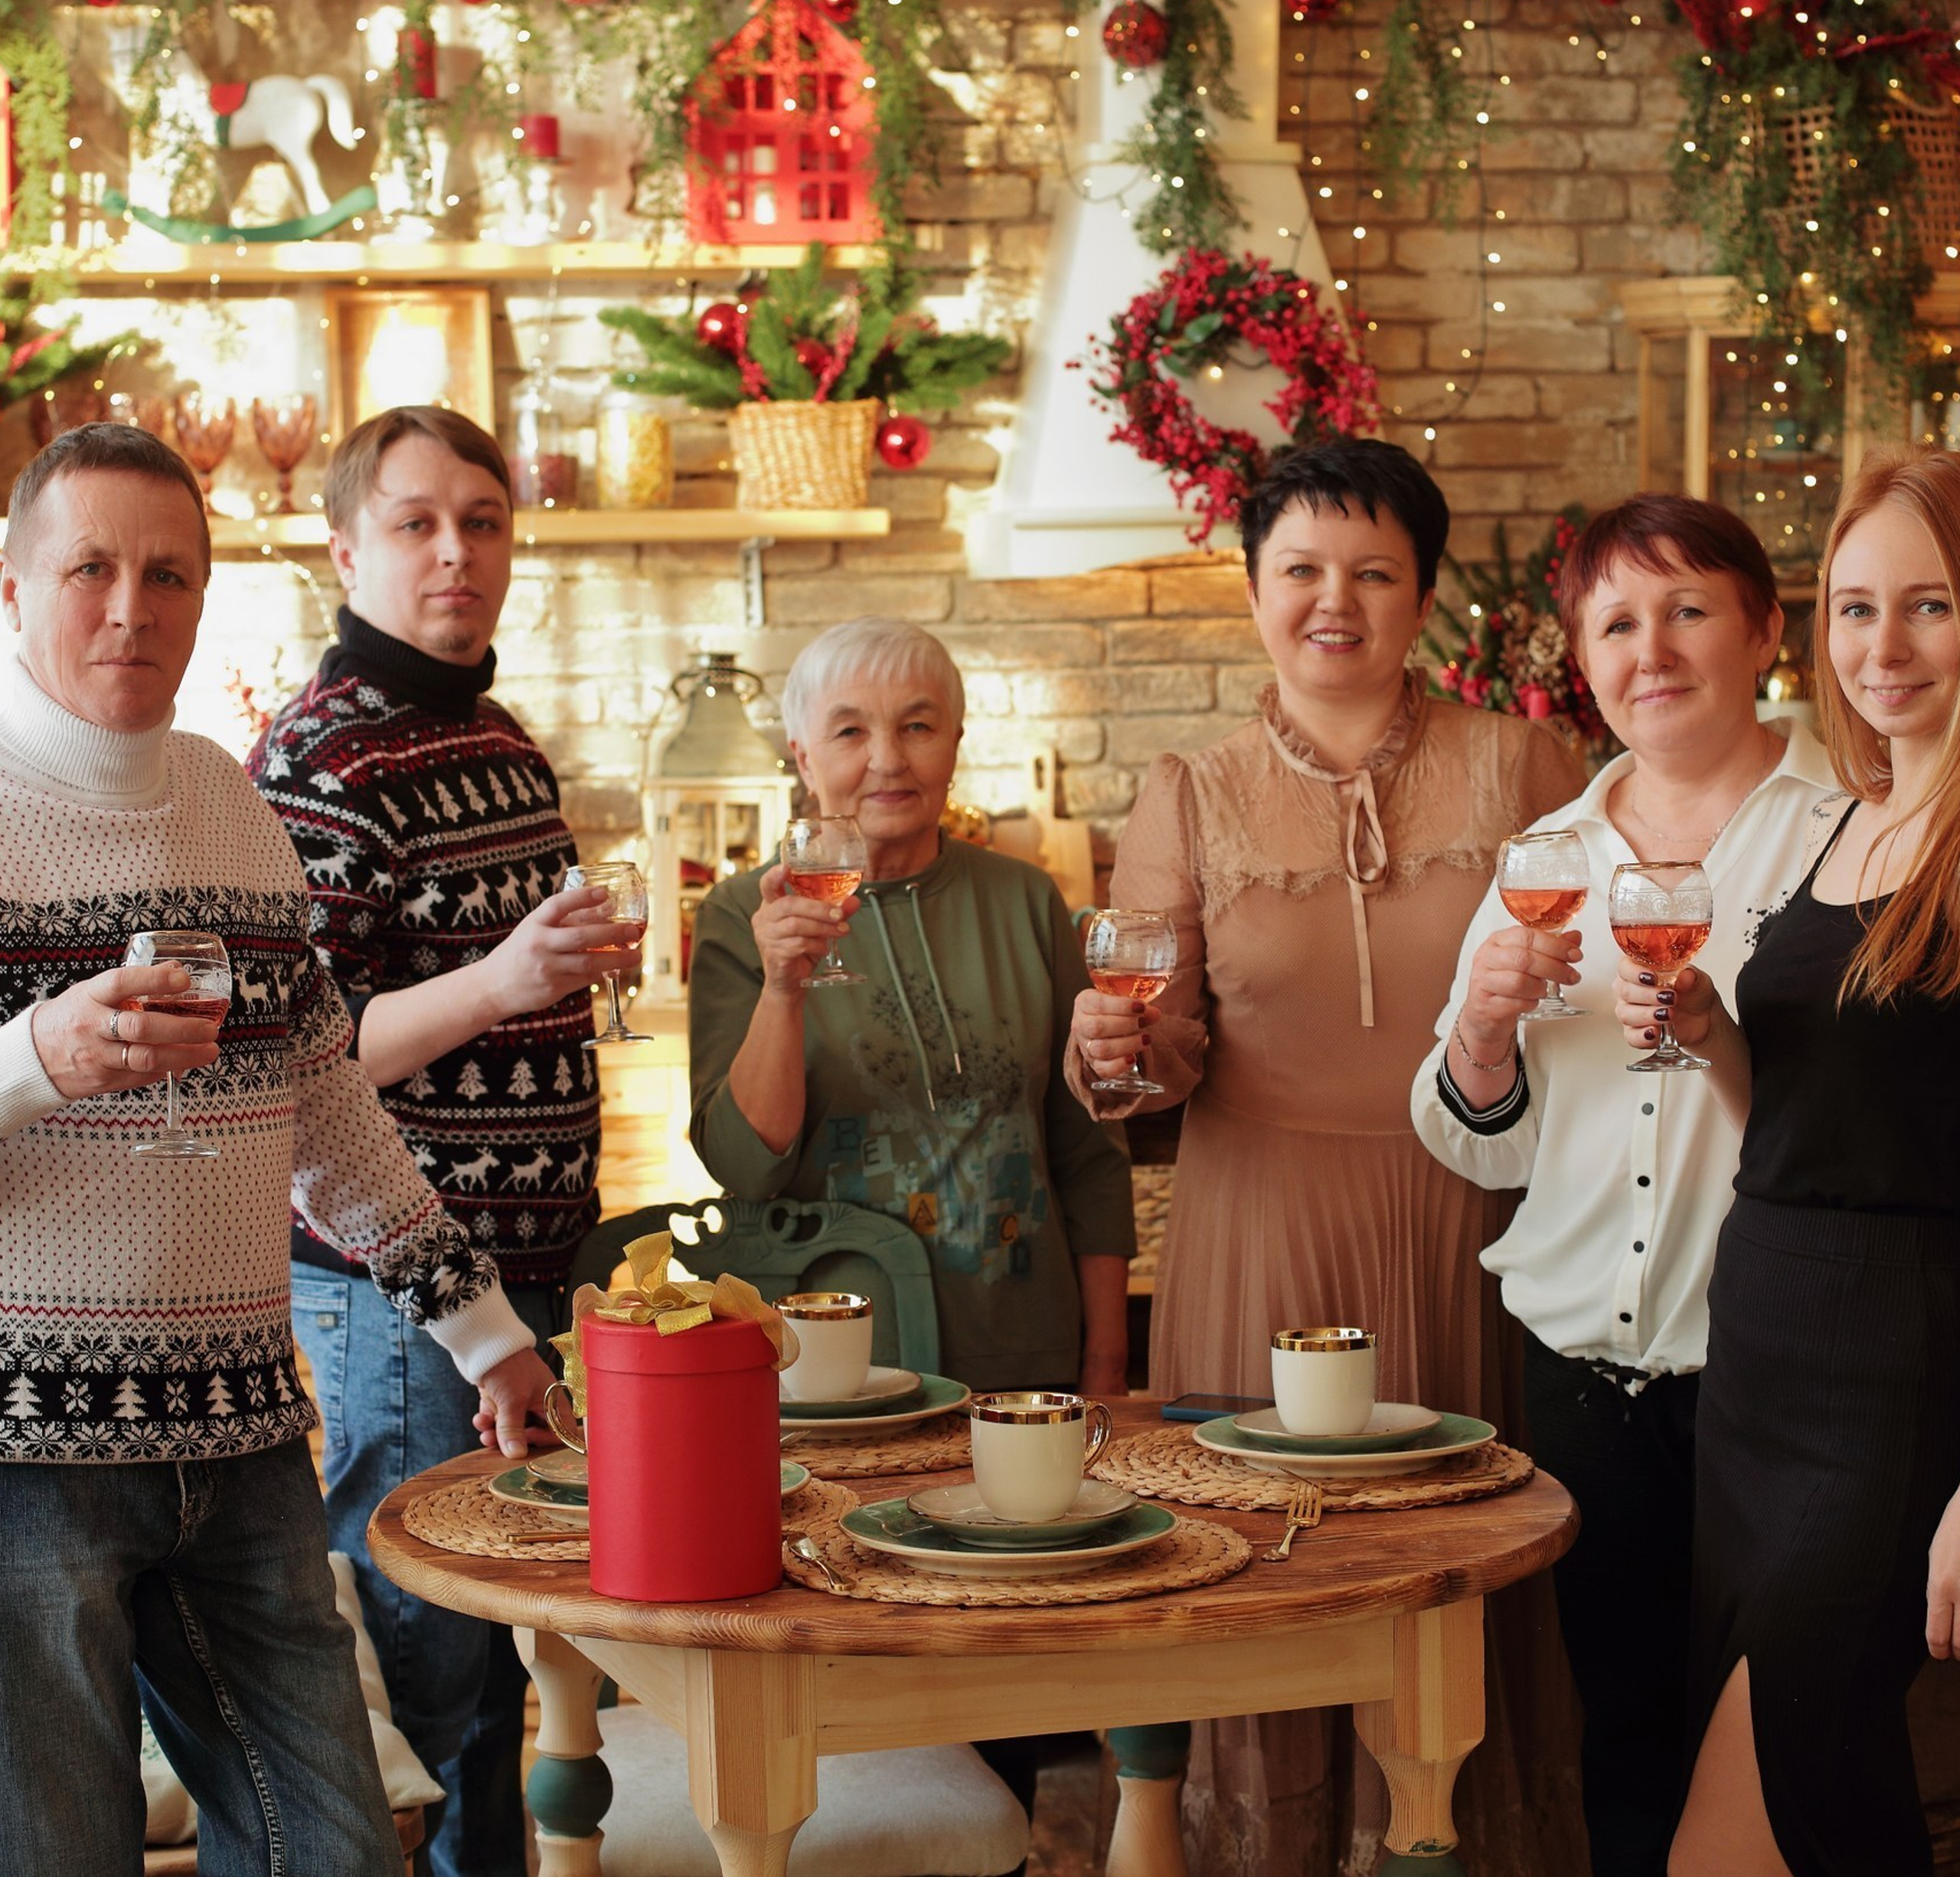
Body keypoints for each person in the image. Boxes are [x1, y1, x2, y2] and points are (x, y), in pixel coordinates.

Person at [0, 423, 552, 1875]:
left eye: (169, 573)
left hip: (245, 1436)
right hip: (23, 1452)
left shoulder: (230, 801)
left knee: (341, 1850)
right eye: (92, 569)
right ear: (11, 591)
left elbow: (324, 1105)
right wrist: (32, 1060)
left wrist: (484, 1333)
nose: (133, 608)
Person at [1068, 437, 1586, 1877]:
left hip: (1472, 1216)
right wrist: (1113, 1054)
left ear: (1422, 595)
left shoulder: (1521, 761)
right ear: (1252, 591)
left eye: (1373, 571)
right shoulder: (1192, 790)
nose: (1333, 601)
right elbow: (1158, 1035)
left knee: (1454, 1577)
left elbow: (1593, 987)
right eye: (1300, 569)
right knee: (1270, 1562)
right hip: (1259, 1229)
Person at [1413, 492, 1834, 1877]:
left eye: (1689, 609)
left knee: (1788, 1742)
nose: (1651, 649)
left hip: (1784, 1380)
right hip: (1583, 1373)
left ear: (1766, 628)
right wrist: (1478, 1032)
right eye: (1616, 621)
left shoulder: (1852, 830)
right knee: (1629, 1736)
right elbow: (1484, 1141)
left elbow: (1883, 1125)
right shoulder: (1551, 858)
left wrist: (1727, 1035)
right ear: (1581, 661)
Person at [245, 406, 615, 1877]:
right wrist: (505, 985)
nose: (458, 552)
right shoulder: (318, 758)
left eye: (486, 520)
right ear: (346, 549)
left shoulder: (493, 732)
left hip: (518, 1275)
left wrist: (548, 980)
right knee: (423, 1673)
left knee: (495, 1672)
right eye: (417, 523)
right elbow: (296, 1056)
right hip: (393, 1284)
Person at [1612, 450, 1960, 1877]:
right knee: (1836, 1798)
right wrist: (1707, 1032)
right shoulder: (1853, 818)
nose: (1881, 649)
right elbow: (1808, 1119)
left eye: (1932, 607)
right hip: (1764, 1348)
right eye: (1855, 607)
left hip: (1899, 1369)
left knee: (1745, 1826)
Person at [688, 616, 1135, 1398]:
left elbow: (1087, 1155)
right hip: (831, 1368)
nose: (888, 758)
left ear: (955, 742)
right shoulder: (739, 916)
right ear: (803, 756)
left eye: (917, 726)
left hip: (1025, 1354)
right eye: (850, 730)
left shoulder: (1025, 901)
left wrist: (1105, 1360)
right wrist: (782, 989)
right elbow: (743, 1165)